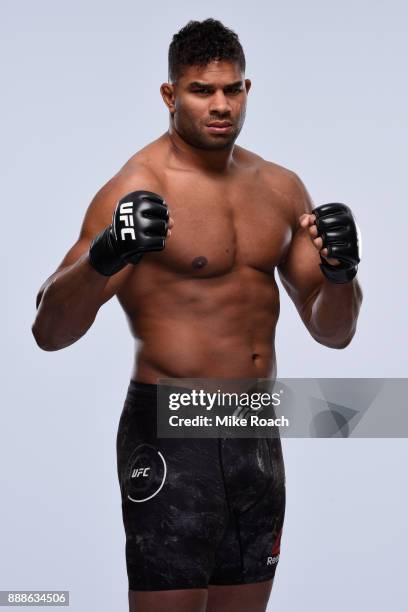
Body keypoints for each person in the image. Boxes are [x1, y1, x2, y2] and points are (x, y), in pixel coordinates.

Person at [32, 18, 362, 612]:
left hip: (254, 430)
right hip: (170, 433)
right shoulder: (138, 187)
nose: (220, 105)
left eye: (231, 90)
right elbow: (49, 331)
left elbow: (332, 331)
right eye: (201, 90)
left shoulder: (281, 188)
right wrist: (106, 255)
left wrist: (342, 276)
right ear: (169, 94)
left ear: (247, 90)